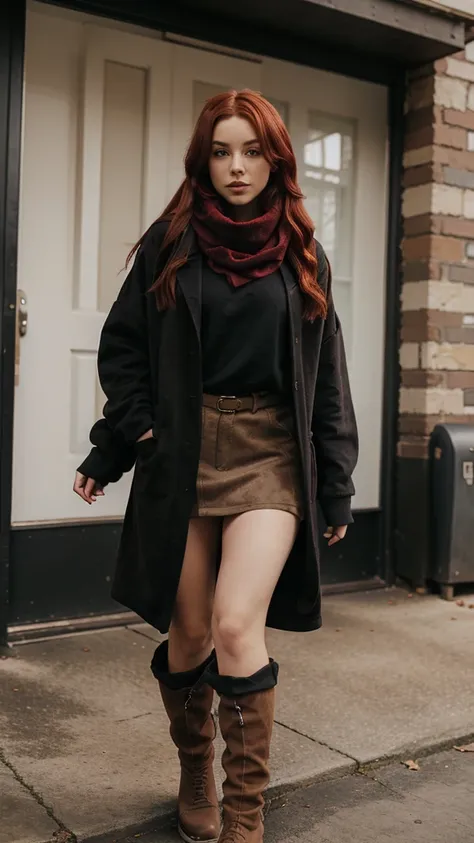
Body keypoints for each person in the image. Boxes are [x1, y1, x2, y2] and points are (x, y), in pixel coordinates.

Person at [73, 89, 358, 843]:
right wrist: (121, 441)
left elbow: (327, 379)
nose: (238, 167)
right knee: (192, 632)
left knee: (238, 623)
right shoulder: (171, 243)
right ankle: (195, 764)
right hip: (185, 449)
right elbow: (125, 351)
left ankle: (244, 810)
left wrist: (335, 485)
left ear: (276, 159)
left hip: (268, 452)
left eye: (253, 151)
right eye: (223, 151)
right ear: (204, 158)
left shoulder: (303, 253)